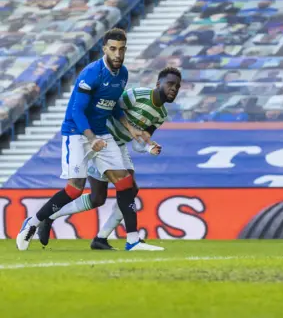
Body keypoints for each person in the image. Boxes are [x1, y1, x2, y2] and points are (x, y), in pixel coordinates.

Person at [16, 28, 155, 251]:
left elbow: (114, 105)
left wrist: (131, 128)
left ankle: (132, 241)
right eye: (113, 49)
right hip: (77, 132)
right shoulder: (91, 73)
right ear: (104, 49)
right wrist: (90, 138)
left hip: (101, 133)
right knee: (75, 189)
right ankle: (32, 222)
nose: (117, 54)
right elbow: (77, 110)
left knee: (125, 182)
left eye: (121, 49)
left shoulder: (123, 74)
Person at [37, 67, 182, 250]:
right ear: (158, 83)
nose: (174, 89)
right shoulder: (136, 96)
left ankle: (103, 238)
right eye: (170, 84)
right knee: (100, 197)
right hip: (103, 142)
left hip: (120, 146)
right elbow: (110, 109)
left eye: (177, 86)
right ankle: (51, 215)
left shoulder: (161, 116)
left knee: (125, 190)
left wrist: (149, 147)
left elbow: (138, 143)